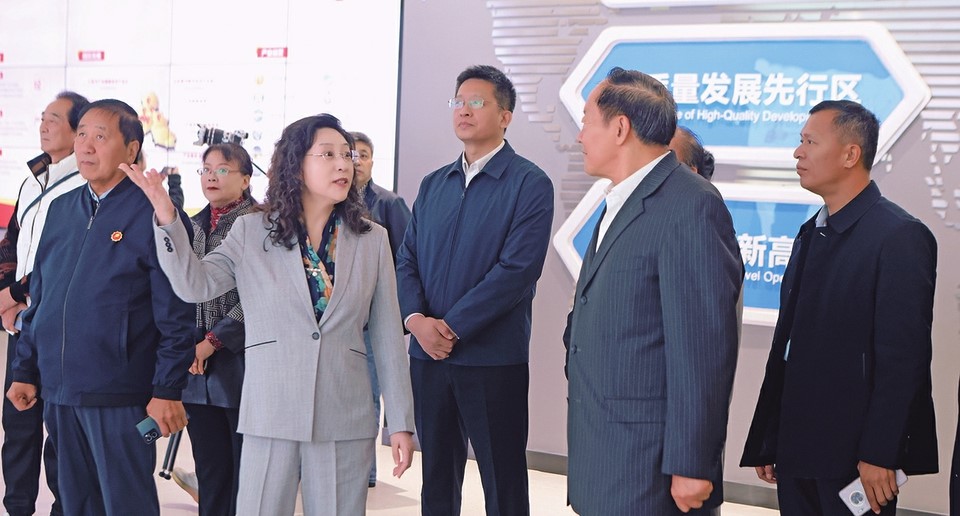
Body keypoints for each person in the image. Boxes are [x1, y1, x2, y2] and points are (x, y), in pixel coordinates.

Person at [124, 113, 416, 515]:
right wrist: (166, 216)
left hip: (344, 412)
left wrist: (400, 422)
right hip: (270, 409)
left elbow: (386, 336)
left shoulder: (372, 238)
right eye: (328, 154)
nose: (343, 165)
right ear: (296, 166)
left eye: (346, 155)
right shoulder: (250, 231)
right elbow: (195, 285)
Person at [740, 100, 938, 515]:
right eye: (800, 141)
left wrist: (881, 452)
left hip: (856, 460)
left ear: (851, 154)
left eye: (811, 142)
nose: (798, 152)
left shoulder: (899, 236)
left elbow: (904, 359)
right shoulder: (811, 231)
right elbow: (788, 347)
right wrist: (770, 435)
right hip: (797, 447)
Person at [563, 67, 742, 515]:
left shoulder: (691, 204)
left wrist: (692, 463)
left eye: (587, 122)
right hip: (605, 448)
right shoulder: (620, 200)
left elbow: (702, 348)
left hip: (649, 464)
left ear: (620, 128)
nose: (580, 136)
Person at [6, 98, 196, 516]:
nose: (86, 146)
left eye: (100, 136)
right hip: (60, 391)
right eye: (82, 135)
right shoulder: (61, 209)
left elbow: (178, 310)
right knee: (75, 502)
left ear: (131, 149)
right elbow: (43, 297)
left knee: (126, 504)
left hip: (121, 396)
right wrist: (25, 369)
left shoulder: (155, 212)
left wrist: (167, 389)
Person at [396, 64, 554, 516]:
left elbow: (517, 271)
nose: (464, 110)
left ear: (505, 116)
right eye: (458, 101)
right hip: (428, 358)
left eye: (477, 102)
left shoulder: (529, 183)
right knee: (437, 480)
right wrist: (417, 322)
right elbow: (407, 260)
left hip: (492, 359)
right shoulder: (434, 184)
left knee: (503, 481)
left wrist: (450, 327)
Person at [0, 90, 87, 516]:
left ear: (77, 131)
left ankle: (63, 509)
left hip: (58, 323)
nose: (44, 125)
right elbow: (11, 243)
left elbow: (66, 258)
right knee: (17, 426)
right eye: (42, 117)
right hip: (21, 322)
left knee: (59, 430)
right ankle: (17, 508)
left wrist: (15, 294)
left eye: (54, 119)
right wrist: (6, 294)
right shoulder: (32, 179)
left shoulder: (84, 183)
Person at [167, 143, 257, 515]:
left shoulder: (261, 225)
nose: (211, 177)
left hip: (243, 363)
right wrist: (190, 346)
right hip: (196, 370)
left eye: (222, 169)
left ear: (246, 179)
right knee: (210, 468)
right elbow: (180, 286)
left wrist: (213, 341)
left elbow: (260, 296)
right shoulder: (192, 225)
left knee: (246, 471)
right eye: (206, 169)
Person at [350, 130, 411, 487]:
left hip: (373, 321)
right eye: (350, 154)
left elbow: (407, 260)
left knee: (369, 395)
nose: (356, 161)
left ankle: (365, 472)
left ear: (373, 160)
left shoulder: (389, 203)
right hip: (339, 320)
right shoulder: (329, 203)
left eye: (363, 154)